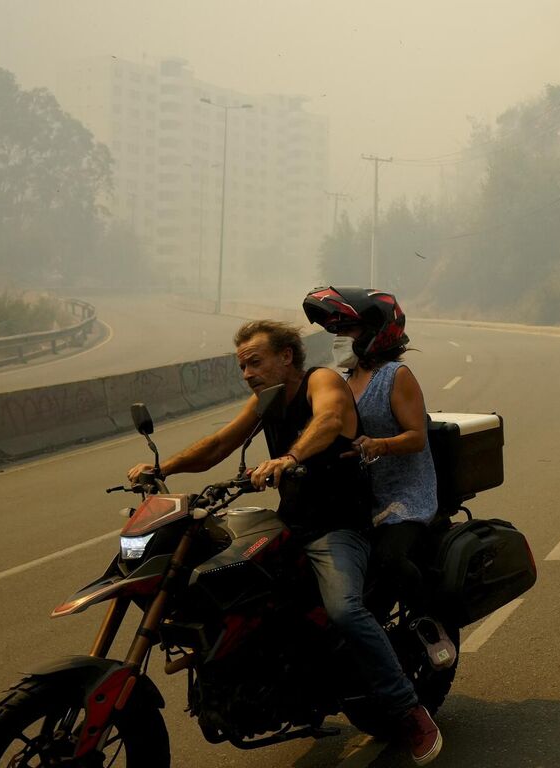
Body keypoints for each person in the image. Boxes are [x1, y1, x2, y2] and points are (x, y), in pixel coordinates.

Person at [123, 319, 442, 764]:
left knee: (345, 610)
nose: (248, 374)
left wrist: (290, 456)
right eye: (242, 367)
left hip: (338, 528)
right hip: (290, 523)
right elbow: (219, 443)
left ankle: (408, 709)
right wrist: (165, 470)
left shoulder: (322, 381)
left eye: (255, 362)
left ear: (286, 357)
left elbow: (330, 419)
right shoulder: (266, 401)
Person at [302, 288, 439, 579]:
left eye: (347, 329)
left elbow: (417, 437)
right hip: (362, 499)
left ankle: (433, 615)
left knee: (387, 561)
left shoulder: (395, 376)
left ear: (375, 332)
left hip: (404, 497)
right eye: (336, 331)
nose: (339, 339)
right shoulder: (342, 383)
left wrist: (379, 445)